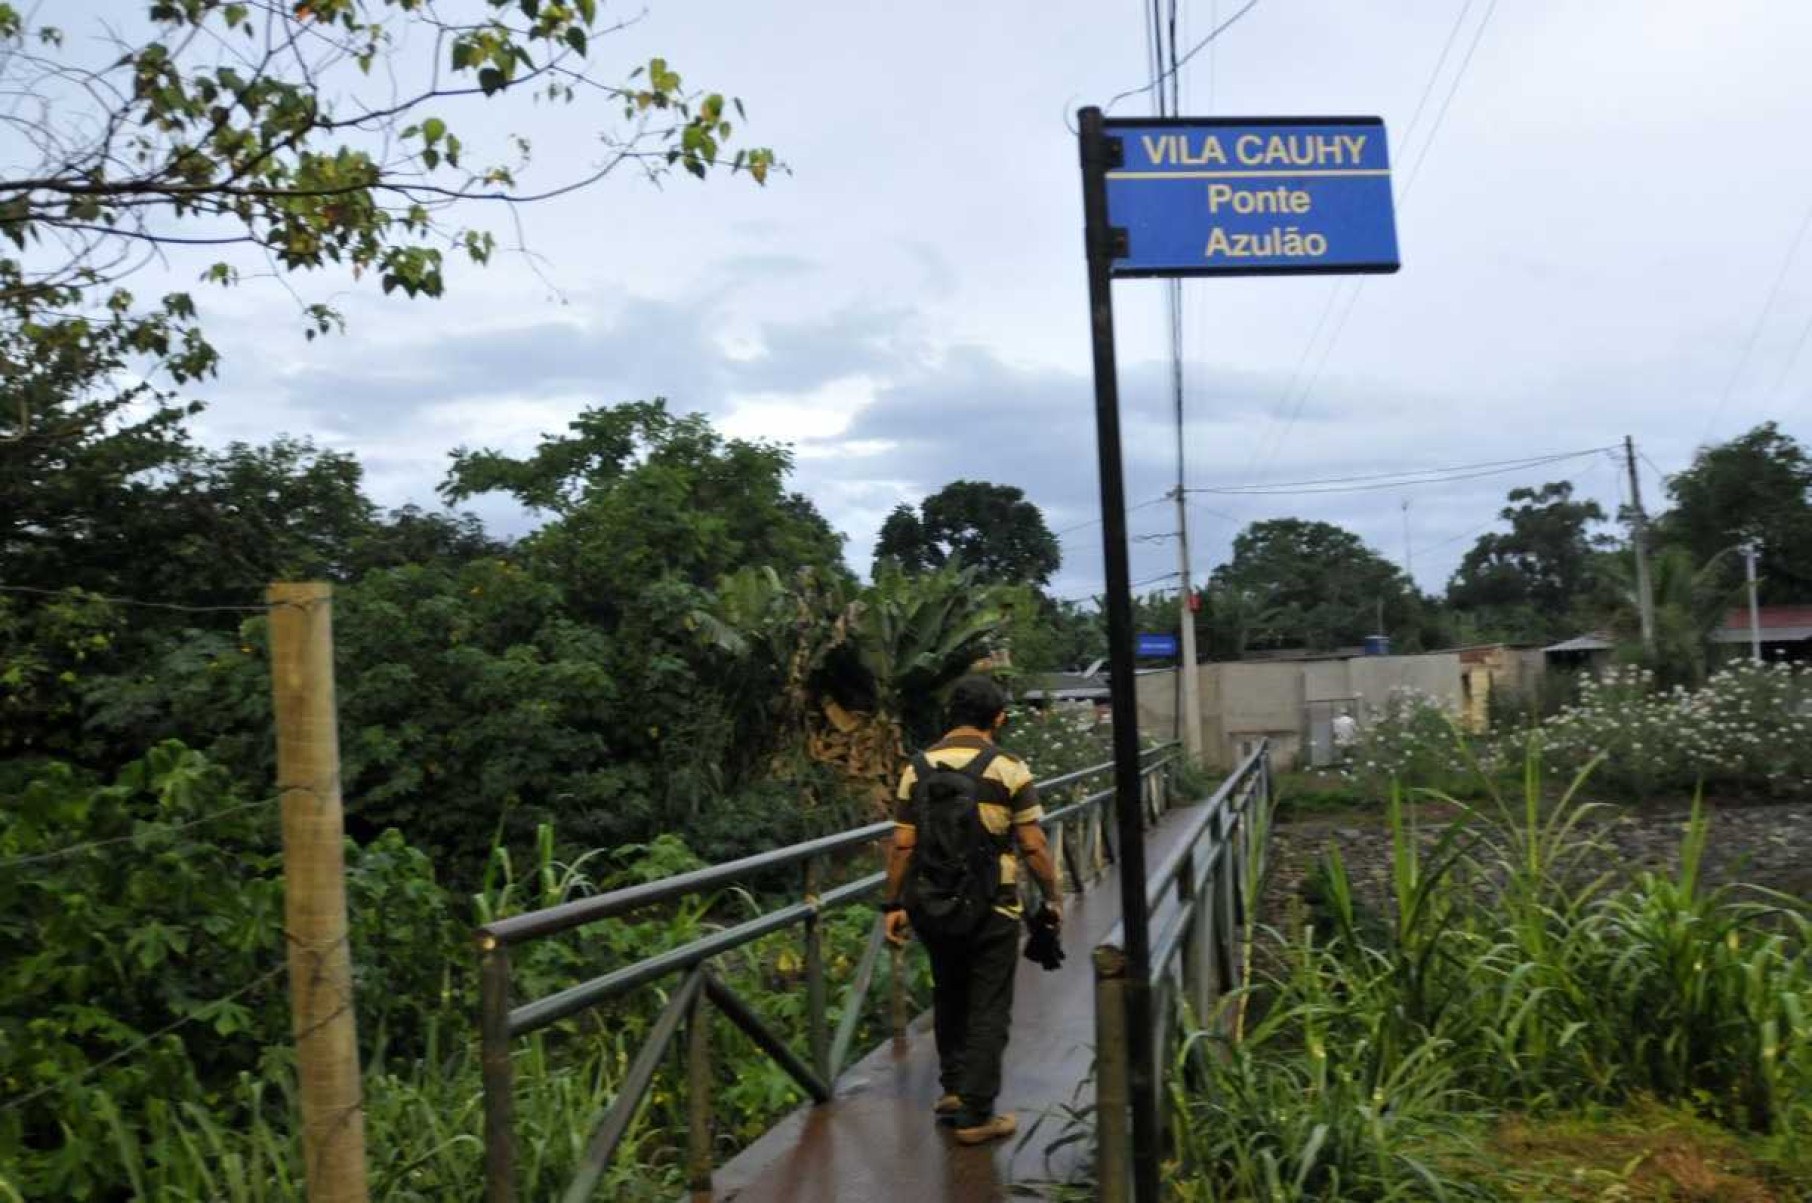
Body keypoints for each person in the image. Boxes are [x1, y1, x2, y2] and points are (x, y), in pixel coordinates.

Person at [881, 675, 1063, 1146]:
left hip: (933, 902)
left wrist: (893, 903)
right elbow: (1033, 843)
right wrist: (1053, 894)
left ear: (952, 716)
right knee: (988, 1005)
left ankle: (954, 1090)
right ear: (998, 718)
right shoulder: (1010, 768)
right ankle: (978, 1114)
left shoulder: (916, 768)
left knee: (950, 993)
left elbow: (902, 845)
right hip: (993, 904)